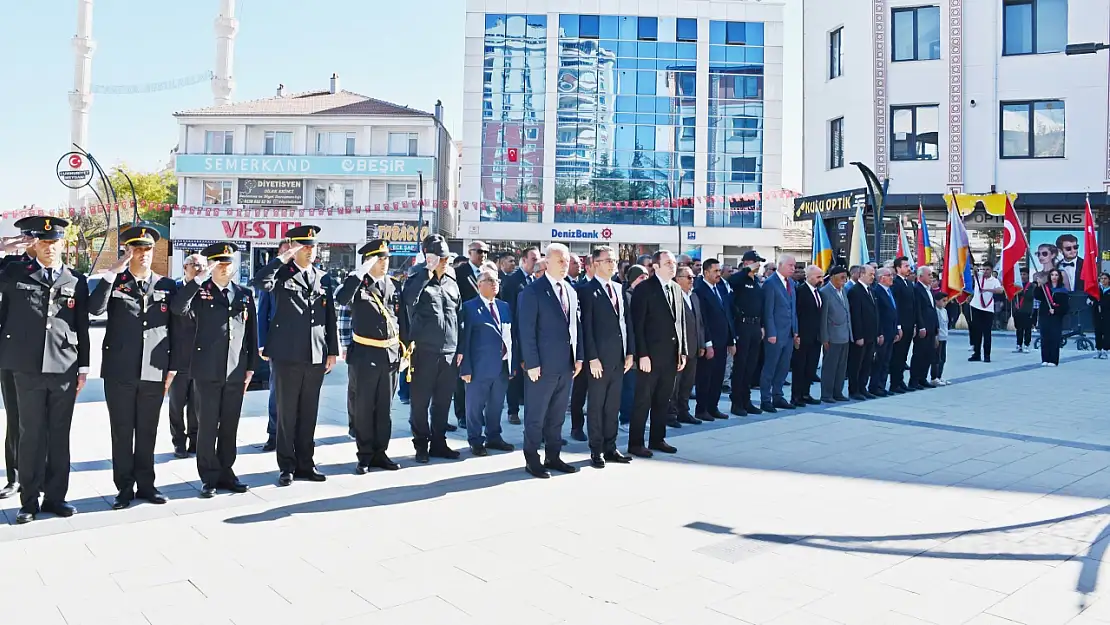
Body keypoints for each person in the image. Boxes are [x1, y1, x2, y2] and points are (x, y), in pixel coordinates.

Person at [0, 218, 90, 524]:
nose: (49, 248)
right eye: (44, 242)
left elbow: (82, 327)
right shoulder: (14, 272)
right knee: (30, 435)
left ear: (63, 244)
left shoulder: (75, 280)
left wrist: (84, 367)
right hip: (26, 367)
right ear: (34, 244)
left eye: (55, 243)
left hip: (64, 366)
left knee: (59, 435)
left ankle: (56, 497)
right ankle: (29, 501)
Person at [90, 226, 179, 509]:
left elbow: (176, 330)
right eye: (137, 249)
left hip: (154, 371)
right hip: (119, 371)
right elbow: (95, 308)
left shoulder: (167, 286)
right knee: (122, 431)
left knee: (147, 431)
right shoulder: (115, 282)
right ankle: (124, 488)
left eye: (147, 249)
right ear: (128, 251)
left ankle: (147, 485)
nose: (142, 254)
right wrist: (113, 271)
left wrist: (172, 369)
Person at [253, 225, 338, 486]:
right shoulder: (280, 275)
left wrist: (332, 350)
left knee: (308, 412)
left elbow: (329, 316)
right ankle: (287, 465)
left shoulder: (322, 278)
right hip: (286, 354)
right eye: (304, 246)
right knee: (287, 413)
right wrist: (282, 258)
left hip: (314, 353)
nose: (310, 251)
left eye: (313, 246)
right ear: (294, 248)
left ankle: (305, 462)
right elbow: (259, 281)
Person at [170, 243, 257, 497]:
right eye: (218, 263)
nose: (223, 267)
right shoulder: (200, 292)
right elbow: (178, 308)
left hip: (235, 371)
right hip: (206, 370)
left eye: (227, 262)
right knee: (207, 425)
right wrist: (197, 280)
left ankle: (226, 472)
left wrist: (251, 367)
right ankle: (208, 476)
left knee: (230, 425)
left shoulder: (243, 294)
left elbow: (251, 335)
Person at [334, 240, 403, 473]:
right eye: (379, 259)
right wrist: (357, 274)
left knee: (384, 408)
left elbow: (399, 318)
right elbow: (341, 302)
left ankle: (380, 452)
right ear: (368, 261)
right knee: (363, 407)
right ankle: (364, 455)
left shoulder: (393, 285)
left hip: (389, 355)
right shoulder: (356, 286)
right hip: (364, 354)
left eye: (386, 258)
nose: (384, 263)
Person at [518, 243, 583, 478]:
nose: (565, 265)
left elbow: (576, 328)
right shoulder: (533, 291)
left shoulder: (571, 290)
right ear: (546, 262)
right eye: (560, 261)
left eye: (566, 261)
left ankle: (553, 456)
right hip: (542, 366)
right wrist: (532, 362)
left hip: (566, 364)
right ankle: (532, 459)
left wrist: (580, 357)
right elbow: (526, 330)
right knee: (535, 416)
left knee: (556, 416)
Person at [401, 235, 463, 464]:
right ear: (428, 256)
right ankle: (421, 444)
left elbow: (459, 316)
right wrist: (426, 272)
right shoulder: (416, 277)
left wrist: (460, 348)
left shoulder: (451, 281)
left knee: (443, 401)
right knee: (420, 402)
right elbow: (408, 300)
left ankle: (439, 441)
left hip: (448, 351)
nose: (444, 261)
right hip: (423, 351)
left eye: (446, 257)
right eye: (440, 256)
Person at [580, 246, 634, 468]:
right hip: (598, 360)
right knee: (596, 405)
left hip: (619, 357)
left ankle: (611, 447)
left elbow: (626, 322)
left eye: (614, 260)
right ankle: (596, 449)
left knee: (613, 405)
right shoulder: (586, 290)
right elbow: (587, 327)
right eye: (606, 260)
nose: (612, 264)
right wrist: (592, 357)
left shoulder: (620, 289)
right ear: (595, 264)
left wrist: (630, 351)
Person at [630, 250, 686, 457]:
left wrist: (683, 352)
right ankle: (635, 443)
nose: (673, 266)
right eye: (668, 263)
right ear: (655, 266)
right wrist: (641, 354)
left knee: (663, 399)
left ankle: (657, 438)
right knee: (643, 400)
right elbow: (638, 324)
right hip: (650, 356)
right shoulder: (645, 289)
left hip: (671, 355)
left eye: (674, 262)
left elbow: (680, 323)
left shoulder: (676, 289)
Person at [457, 265, 516, 457]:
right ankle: (475, 440)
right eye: (490, 280)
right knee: (474, 406)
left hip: (501, 366)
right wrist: (465, 368)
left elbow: (511, 336)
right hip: (478, 367)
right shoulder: (469, 307)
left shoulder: (504, 306)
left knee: (496, 404)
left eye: (497, 280)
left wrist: (513, 363)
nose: (495, 284)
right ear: (479, 284)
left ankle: (494, 436)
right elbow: (464, 340)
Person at [0, 216, 36, 500]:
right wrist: (2, 248)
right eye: (28, 237)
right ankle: (14, 477)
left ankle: (39, 474)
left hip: (47, 358)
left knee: (42, 420)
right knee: (15, 418)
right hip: (12, 357)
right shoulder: (8, 267)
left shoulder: (61, 270)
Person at [499, 246, 540, 426]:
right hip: (516, 334)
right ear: (524, 260)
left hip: (533, 334)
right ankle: (513, 410)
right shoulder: (513, 281)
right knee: (515, 374)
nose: (536, 262)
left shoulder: (537, 280)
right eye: (533, 259)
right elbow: (509, 310)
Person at [257, 238, 291, 451]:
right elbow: (262, 312)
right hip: (277, 345)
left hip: (301, 347)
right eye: (286, 251)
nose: (290, 254)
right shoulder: (272, 277)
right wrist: (262, 344)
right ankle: (273, 433)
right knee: (276, 392)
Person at [168, 253, 203, 459]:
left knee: (197, 404)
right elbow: (178, 310)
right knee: (176, 403)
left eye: (201, 266)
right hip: (178, 357)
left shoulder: (206, 290)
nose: (199, 269)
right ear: (185, 267)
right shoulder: (176, 288)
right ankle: (178, 441)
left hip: (199, 358)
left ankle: (195, 439)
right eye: (195, 265)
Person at [453, 241, 489, 431]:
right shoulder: (459, 272)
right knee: (463, 372)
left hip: (484, 329)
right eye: (479, 251)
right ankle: (462, 414)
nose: (483, 255)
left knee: (480, 373)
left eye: (485, 251)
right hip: (465, 326)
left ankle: (477, 412)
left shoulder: (488, 273)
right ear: (469, 253)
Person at [693, 258, 734, 420]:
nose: (719, 274)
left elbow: (727, 315)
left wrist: (731, 340)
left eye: (719, 270)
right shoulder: (700, 291)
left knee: (718, 376)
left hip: (723, 340)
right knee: (705, 377)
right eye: (715, 271)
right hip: (710, 342)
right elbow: (703, 320)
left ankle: (713, 406)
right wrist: (708, 343)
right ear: (706, 272)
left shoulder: (720, 289)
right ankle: (701, 409)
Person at [726, 251, 765, 416]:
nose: (759, 265)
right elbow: (730, 282)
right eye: (756, 262)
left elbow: (759, 304)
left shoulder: (755, 281)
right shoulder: (739, 279)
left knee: (751, 366)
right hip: (742, 326)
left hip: (755, 326)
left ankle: (746, 400)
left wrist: (762, 325)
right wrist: (745, 270)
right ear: (747, 262)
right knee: (740, 366)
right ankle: (737, 402)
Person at [760, 254, 798, 413]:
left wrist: (795, 331)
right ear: (781, 265)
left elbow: (793, 309)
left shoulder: (791, 283)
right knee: (770, 366)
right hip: (775, 333)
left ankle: (778, 395)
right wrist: (770, 332)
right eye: (791, 265)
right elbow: (767, 311)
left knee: (783, 367)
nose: (793, 269)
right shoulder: (770, 283)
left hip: (788, 333)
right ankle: (765, 399)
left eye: (794, 266)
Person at [670, 265, 705, 426]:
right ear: (678, 279)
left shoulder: (694, 297)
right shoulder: (672, 297)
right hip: (678, 350)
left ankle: (684, 412)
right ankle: (670, 415)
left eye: (693, 278)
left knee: (687, 383)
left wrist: (702, 343)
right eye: (689, 277)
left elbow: (699, 323)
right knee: (674, 385)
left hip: (693, 347)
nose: (692, 281)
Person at [619, 264, 649, 428]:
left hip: (643, 349)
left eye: (646, 277)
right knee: (629, 387)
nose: (644, 281)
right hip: (630, 349)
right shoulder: (626, 297)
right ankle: (626, 418)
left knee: (641, 388)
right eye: (640, 278)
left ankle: (638, 419)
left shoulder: (646, 295)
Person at [791, 264, 823, 406]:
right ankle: (796, 396)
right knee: (800, 367)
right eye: (818, 277)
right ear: (809, 277)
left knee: (811, 367)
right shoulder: (801, 291)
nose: (821, 279)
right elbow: (797, 314)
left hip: (816, 337)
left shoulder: (818, 292)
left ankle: (806, 393)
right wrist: (796, 334)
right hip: (803, 336)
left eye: (821, 276)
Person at [818, 267, 852, 403]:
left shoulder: (843, 291)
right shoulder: (825, 292)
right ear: (832, 277)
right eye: (841, 277)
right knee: (830, 367)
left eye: (845, 278)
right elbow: (823, 317)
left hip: (844, 334)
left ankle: (838, 391)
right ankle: (827, 394)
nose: (844, 281)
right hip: (832, 335)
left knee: (841, 366)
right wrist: (824, 337)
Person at [846, 264, 879, 400]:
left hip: (871, 334)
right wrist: (858, 336)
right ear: (861, 274)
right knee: (856, 364)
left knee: (867, 363)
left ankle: (862, 387)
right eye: (870, 274)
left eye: (873, 274)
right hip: (861, 336)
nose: (873, 277)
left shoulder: (870, 290)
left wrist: (878, 333)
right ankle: (854, 390)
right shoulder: (855, 291)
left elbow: (875, 313)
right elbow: (856, 316)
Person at [889, 257, 919, 393]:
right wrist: (898, 326)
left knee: (903, 355)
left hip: (909, 324)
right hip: (901, 326)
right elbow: (897, 307)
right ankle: (894, 383)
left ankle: (900, 381)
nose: (909, 268)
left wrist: (914, 325)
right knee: (897, 355)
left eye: (909, 266)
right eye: (906, 266)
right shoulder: (896, 284)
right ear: (898, 268)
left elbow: (912, 306)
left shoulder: (909, 283)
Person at [908, 266, 940, 389]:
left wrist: (936, 327)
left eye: (932, 275)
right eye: (929, 275)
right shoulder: (917, 289)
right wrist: (921, 326)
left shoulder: (929, 289)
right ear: (920, 276)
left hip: (931, 327)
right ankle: (914, 380)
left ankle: (923, 378)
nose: (931, 277)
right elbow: (918, 310)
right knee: (919, 354)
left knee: (928, 354)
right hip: (923, 328)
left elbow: (933, 309)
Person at [870, 267, 901, 397]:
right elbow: (879, 315)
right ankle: (875, 386)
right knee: (879, 360)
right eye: (889, 275)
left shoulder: (889, 291)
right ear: (882, 278)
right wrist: (880, 333)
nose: (892, 277)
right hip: (883, 332)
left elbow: (893, 311)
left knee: (886, 361)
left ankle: (882, 385)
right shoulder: (877, 291)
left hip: (891, 331)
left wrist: (897, 328)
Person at [969, 261, 1004, 363]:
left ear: (991, 270)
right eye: (983, 269)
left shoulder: (994, 280)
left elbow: (1000, 290)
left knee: (987, 333)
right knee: (976, 332)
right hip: (976, 306)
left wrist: (987, 290)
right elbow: (973, 269)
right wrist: (975, 268)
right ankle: (976, 354)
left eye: (987, 269)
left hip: (988, 309)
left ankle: (987, 355)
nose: (985, 271)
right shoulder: (979, 277)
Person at [1035, 269, 1070, 366]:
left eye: (1056, 275)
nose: (1054, 277)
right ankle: (1045, 359)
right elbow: (1037, 296)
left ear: (1059, 277)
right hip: (1044, 316)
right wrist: (1038, 286)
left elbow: (1065, 307)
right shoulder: (1045, 288)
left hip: (1056, 318)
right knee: (1044, 337)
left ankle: (1053, 360)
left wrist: (1056, 311)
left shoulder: (1063, 291)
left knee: (1054, 338)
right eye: (1052, 275)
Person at [1013, 268, 1037, 354]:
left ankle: (1026, 344)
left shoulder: (1031, 286)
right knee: (1019, 329)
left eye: (1024, 274)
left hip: (1027, 311)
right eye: (1021, 274)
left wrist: (1021, 292)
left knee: (1027, 329)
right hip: (1017, 310)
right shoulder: (1017, 286)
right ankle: (1018, 345)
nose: (1023, 276)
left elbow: (1030, 296)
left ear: (1028, 275)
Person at [931, 291, 951, 385]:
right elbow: (936, 325)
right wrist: (936, 337)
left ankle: (939, 376)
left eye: (946, 301)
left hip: (944, 337)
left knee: (943, 358)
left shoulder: (945, 310)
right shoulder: (935, 311)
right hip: (938, 337)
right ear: (937, 301)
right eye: (943, 301)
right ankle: (934, 377)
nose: (945, 303)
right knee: (936, 359)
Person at [1091, 273, 1110, 359]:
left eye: (1105, 278)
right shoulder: (1097, 291)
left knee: (1107, 333)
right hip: (1098, 314)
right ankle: (1098, 350)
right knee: (1098, 332)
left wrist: (1101, 304)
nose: (1103, 280)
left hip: (1107, 315)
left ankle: (1105, 350)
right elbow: (1091, 299)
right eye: (1101, 278)